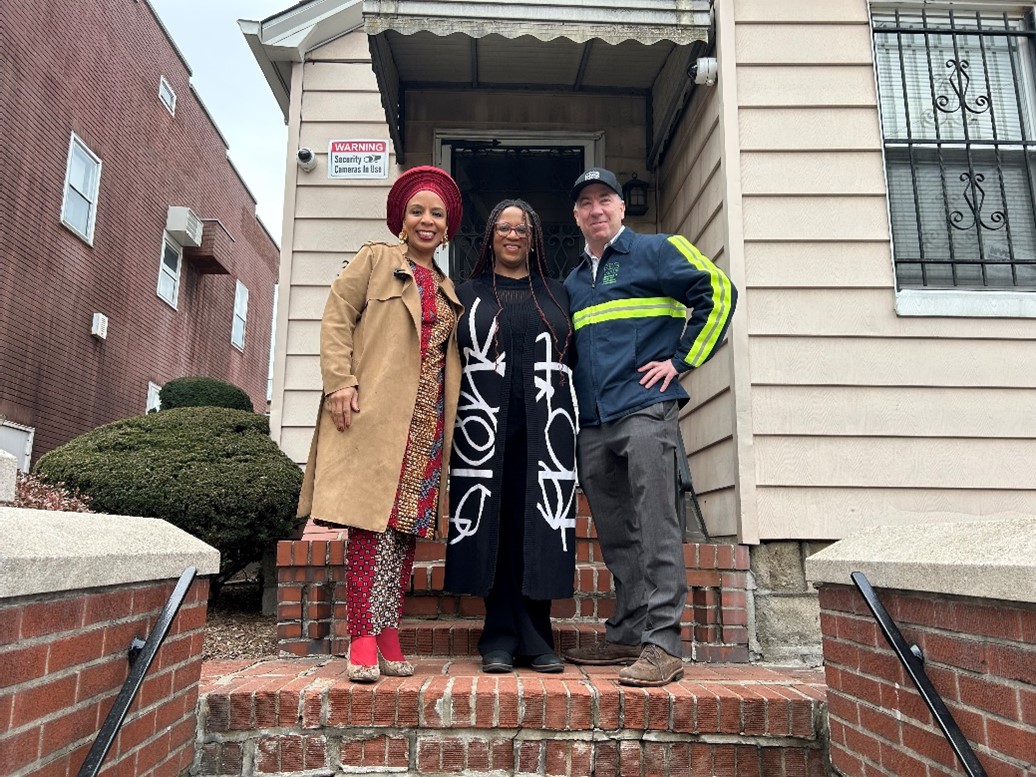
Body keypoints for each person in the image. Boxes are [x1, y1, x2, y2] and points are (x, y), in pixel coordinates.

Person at [562, 167, 737, 687]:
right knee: (617, 531)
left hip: (644, 410)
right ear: (576, 215)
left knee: (656, 524)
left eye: (605, 199)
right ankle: (628, 632)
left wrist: (680, 362)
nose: (596, 209)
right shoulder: (574, 282)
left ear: (621, 207)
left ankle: (663, 644)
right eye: (586, 202)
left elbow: (720, 292)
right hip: (594, 422)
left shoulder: (658, 250)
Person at [297, 165, 464, 682]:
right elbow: (336, 317)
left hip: (427, 421)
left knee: (404, 531)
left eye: (437, 214)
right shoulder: (375, 260)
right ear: (402, 219)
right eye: (417, 211)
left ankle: (389, 631)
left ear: (448, 226)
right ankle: (362, 637)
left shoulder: (447, 286)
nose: (427, 221)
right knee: (370, 527)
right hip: (375, 415)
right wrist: (339, 382)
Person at [445, 199, 577, 674]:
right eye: (503, 227)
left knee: (537, 527)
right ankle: (498, 637)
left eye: (522, 228)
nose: (513, 235)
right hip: (483, 430)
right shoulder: (467, 294)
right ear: (490, 236)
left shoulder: (559, 294)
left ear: (534, 238)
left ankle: (538, 638)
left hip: (546, 430)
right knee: (493, 526)